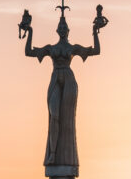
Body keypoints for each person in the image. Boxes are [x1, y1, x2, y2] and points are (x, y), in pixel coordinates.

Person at [23, 15, 101, 167]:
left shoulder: (73, 48)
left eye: (65, 27)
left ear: (68, 30)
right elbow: (28, 52)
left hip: (69, 79)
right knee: (55, 116)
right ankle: (52, 154)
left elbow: (96, 50)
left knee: (67, 119)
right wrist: (30, 31)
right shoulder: (51, 48)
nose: (63, 29)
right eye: (61, 27)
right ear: (57, 30)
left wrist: (95, 30)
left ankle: (67, 158)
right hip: (55, 78)